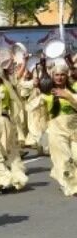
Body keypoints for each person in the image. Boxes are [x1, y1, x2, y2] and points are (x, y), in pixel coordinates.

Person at [41, 61, 77, 196]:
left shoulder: (73, 89)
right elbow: (34, 106)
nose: (59, 77)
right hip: (57, 131)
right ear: (52, 76)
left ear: (67, 76)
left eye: (62, 75)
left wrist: (67, 96)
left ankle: (69, 179)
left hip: (74, 129)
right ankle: (69, 185)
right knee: (65, 159)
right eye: (56, 75)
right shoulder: (47, 93)